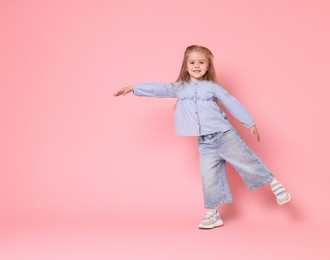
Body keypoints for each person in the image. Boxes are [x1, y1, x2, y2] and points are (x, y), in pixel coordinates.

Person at [113, 45, 291, 229]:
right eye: (192, 62)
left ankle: (274, 185)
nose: (196, 65)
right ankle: (212, 213)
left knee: (246, 162)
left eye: (201, 62)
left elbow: (232, 102)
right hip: (205, 142)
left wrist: (249, 123)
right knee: (209, 177)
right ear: (186, 65)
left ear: (208, 66)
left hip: (224, 135)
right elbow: (159, 88)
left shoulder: (212, 88)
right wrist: (134, 88)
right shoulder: (179, 88)